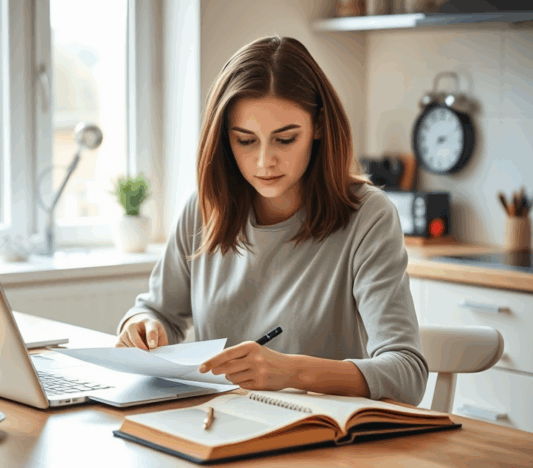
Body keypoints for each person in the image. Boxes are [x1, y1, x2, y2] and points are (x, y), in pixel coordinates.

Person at [115, 35, 428, 406]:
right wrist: (140, 326)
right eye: (246, 141)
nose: (265, 161)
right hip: (217, 425)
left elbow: (407, 374)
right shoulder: (204, 208)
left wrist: (292, 372)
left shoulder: (368, 216)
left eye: (285, 139)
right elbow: (157, 312)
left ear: (319, 126)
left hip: (320, 432)